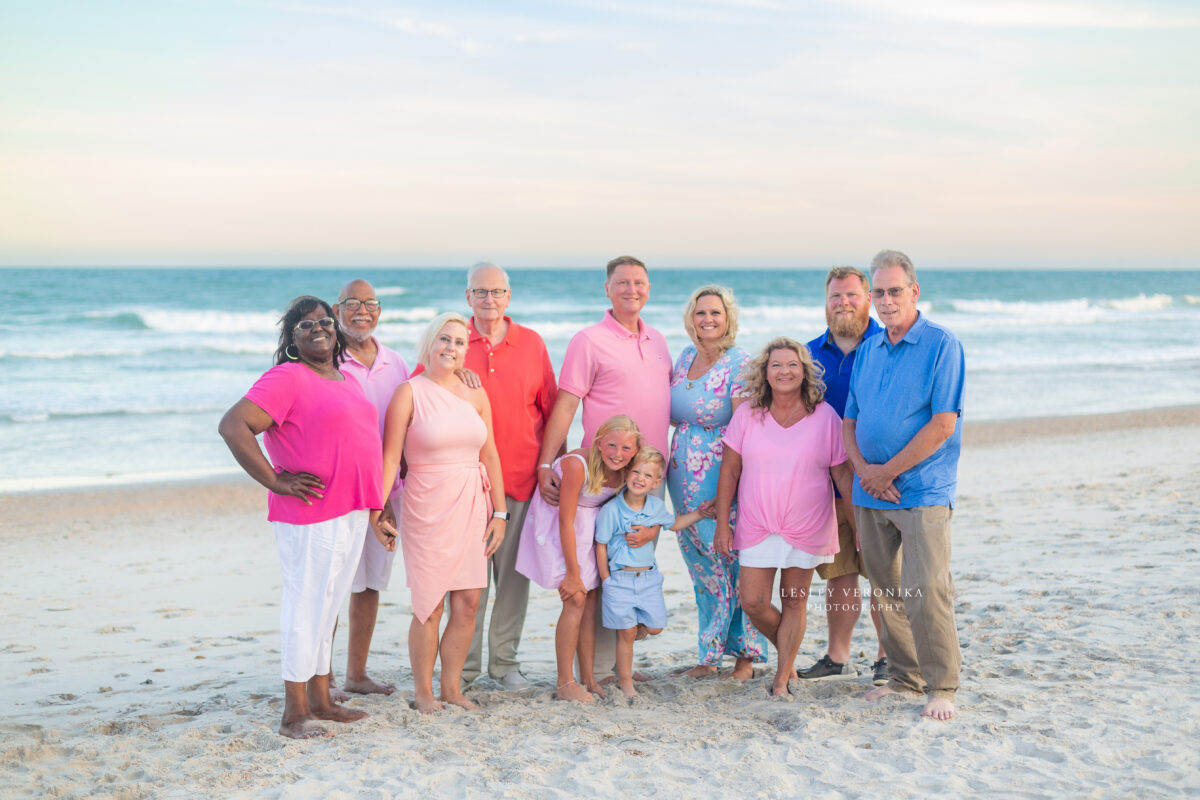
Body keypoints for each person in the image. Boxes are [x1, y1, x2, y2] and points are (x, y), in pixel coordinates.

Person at [218, 296, 384, 739]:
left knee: (328, 605)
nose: (318, 328)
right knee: (305, 607)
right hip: (310, 513)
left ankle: (321, 698)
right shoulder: (287, 377)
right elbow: (233, 425)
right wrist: (275, 480)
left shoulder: (345, 377)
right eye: (305, 325)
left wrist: (373, 506)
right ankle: (294, 714)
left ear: (336, 329)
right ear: (291, 339)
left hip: (349, 509)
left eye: (324, 321)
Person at [535, 255, 672, 682]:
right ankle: (596, 670)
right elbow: (567, 404)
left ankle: (618, 663)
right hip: (606, 477)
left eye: (639, 282)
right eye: (623, 283)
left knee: (632, 566)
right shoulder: (588, 340)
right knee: (601, 572)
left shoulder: (659, 341)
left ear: (648, 289)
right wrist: (546, 461)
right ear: (607, 290)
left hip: (647, 478)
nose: (632, 289)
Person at [842, 249, 965, 721]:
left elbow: (942, 425)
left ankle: (942, 684)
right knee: (885, 589)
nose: (887, 300)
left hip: (921, 488)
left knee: (926, 586)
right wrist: (865, 472)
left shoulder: (941, 344)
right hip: (870, 491)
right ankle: (903, 676)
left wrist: (886, 471)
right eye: (879, 292)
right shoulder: (870, 349)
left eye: (895, 291)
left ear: (914, 292)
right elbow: (849, 421)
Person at [375, 313, 508, 713]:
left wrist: (500, 513)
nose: (451, 348)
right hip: (426, 505)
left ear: (468, 350)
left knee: (468, 602)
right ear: (430, 344)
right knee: (430, 604)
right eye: (444, 339)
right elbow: (389, 457)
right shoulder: (408, 393)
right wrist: (378, 509)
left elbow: (490, 455)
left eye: (460, 342)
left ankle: (451, 689)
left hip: (473, 502)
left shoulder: (476, 393)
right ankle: (423, 693)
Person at [714, 338, 856, 698]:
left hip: (806, 524)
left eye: (792, 365)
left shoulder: (824, 416)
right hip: (757, 523)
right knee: (754, 602)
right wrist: (721, 524)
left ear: (804, 371)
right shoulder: (748, 413)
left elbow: (841, 475)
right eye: (776, 365)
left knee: (794, 599)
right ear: (765, 372)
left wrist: (858, 525)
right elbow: (729, 471)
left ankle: (781, 678)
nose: (784, 371)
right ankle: (788, 657)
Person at [458, 263, 558, 692]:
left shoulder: (532, 344)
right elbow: (420, 394)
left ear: (509, 297)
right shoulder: (453, 341)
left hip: (520, 482)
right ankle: (461, 669)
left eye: (497, 292)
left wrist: (550, 466)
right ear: (468, 297)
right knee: (467, 584)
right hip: (465, 485)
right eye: (481, 292)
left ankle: (504, 665)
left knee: (513, 583)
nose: (489, 300)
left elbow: (552, 410)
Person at [667, 284, 766, 680]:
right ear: (690, 318)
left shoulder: (739, 363)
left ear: (728, 319)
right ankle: (708, 656)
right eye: (700, 313)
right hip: (682, 482)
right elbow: (676, 414)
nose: (707, 319)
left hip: (721, 479)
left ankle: (746, 657)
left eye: (715, 313)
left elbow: (745, 432)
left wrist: (728, 495)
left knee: (734, 568)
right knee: (702, 570)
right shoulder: (685, 356)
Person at [797, 267, 888, 686]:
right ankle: (838, 656)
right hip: (826, 485)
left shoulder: (889, 345)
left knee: (885, 573)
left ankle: (890, 655)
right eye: (835, 296)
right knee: (839, 574)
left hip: (877, 482)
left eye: (851, 295)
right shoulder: (809, 354)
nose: (843, 303)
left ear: (868, 297)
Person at [516, 415, 641, 702]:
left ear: (635, 451)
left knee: (591, 599)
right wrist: (573, 574)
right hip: (559, 526)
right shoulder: (576, 465)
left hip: (590, 527)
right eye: (611, 445)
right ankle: (565, 683)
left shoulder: (628, 470)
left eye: (626, 448)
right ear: (598, 443)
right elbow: (565, 520)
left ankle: (587, 677)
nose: (617, 454)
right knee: (575, 598)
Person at [328, 278, 409, 697]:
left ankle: (356, 674)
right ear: (337, 309)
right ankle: (319, 678)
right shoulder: (327, 359)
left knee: (370, 584)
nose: (363, 310)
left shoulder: (395, 362)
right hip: (340, 494)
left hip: (386, 494)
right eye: (353, 303)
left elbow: (413, 419)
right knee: (332, 586)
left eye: (371, 302)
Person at [595, 447, 713, 698]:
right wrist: (606, 580)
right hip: (621, 579)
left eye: (648, 476)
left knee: (655, 627)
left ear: (657, 482)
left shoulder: (656, 507)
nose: (640, 478)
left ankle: (627, 633)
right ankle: (626, 681)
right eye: (636, 471)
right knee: (626, 634)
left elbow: (674, 524)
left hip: (649, 578)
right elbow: (601, 546)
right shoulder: (612, 510)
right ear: (627, 473)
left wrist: (699, 514)